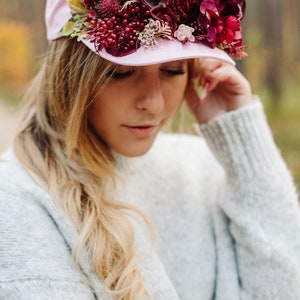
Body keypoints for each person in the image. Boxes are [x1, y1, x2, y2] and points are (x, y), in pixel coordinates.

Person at [1, 0, 300, 299]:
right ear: (71, 74)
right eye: (121, 72)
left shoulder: (205, 167)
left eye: (173, 70)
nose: (154, 103)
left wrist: (243, 145)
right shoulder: (18, 200)